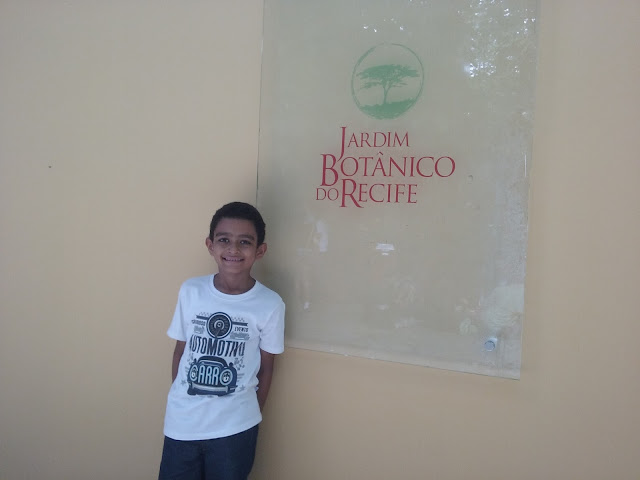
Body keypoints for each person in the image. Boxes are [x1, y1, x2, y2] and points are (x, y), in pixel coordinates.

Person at [159, 202, 285, 480]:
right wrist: (182, 399)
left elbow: (267, 367)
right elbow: (180, 351)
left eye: (245, 242)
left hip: (235, 429)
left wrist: (250, 413)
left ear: (260, 250)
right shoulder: (191, 291)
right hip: (182, 424)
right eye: (224, 240)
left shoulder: (270, 304)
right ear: (210, 245)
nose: (233, 249)